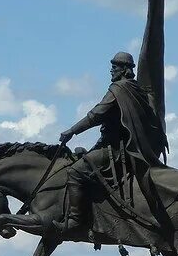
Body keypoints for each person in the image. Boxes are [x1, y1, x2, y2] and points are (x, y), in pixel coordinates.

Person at [56, 50, 169, 237]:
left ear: (124, 69)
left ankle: (76, 220)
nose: (111, 70)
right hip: (115, 146)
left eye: (115, 67)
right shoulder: (134, 89)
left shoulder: (119, 89)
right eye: (112, 67)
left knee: (75, 172)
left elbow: (96, 114)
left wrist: (72, 131)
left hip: (115, 150)